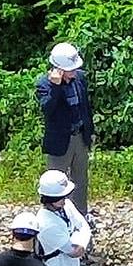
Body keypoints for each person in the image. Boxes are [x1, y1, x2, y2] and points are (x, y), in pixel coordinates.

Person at [35, 42, 93, 220]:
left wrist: (90, 132)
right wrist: (56, 87)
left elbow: (85, 107)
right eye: (71, 69)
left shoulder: (80, 78)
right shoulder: (44, 84)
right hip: (60, 142)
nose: (74, 71)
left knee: (81, 180)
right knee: (56, 181)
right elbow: (47, 109)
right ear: (59, 68)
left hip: (79, 137)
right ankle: (55, 217)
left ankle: (81, 215)